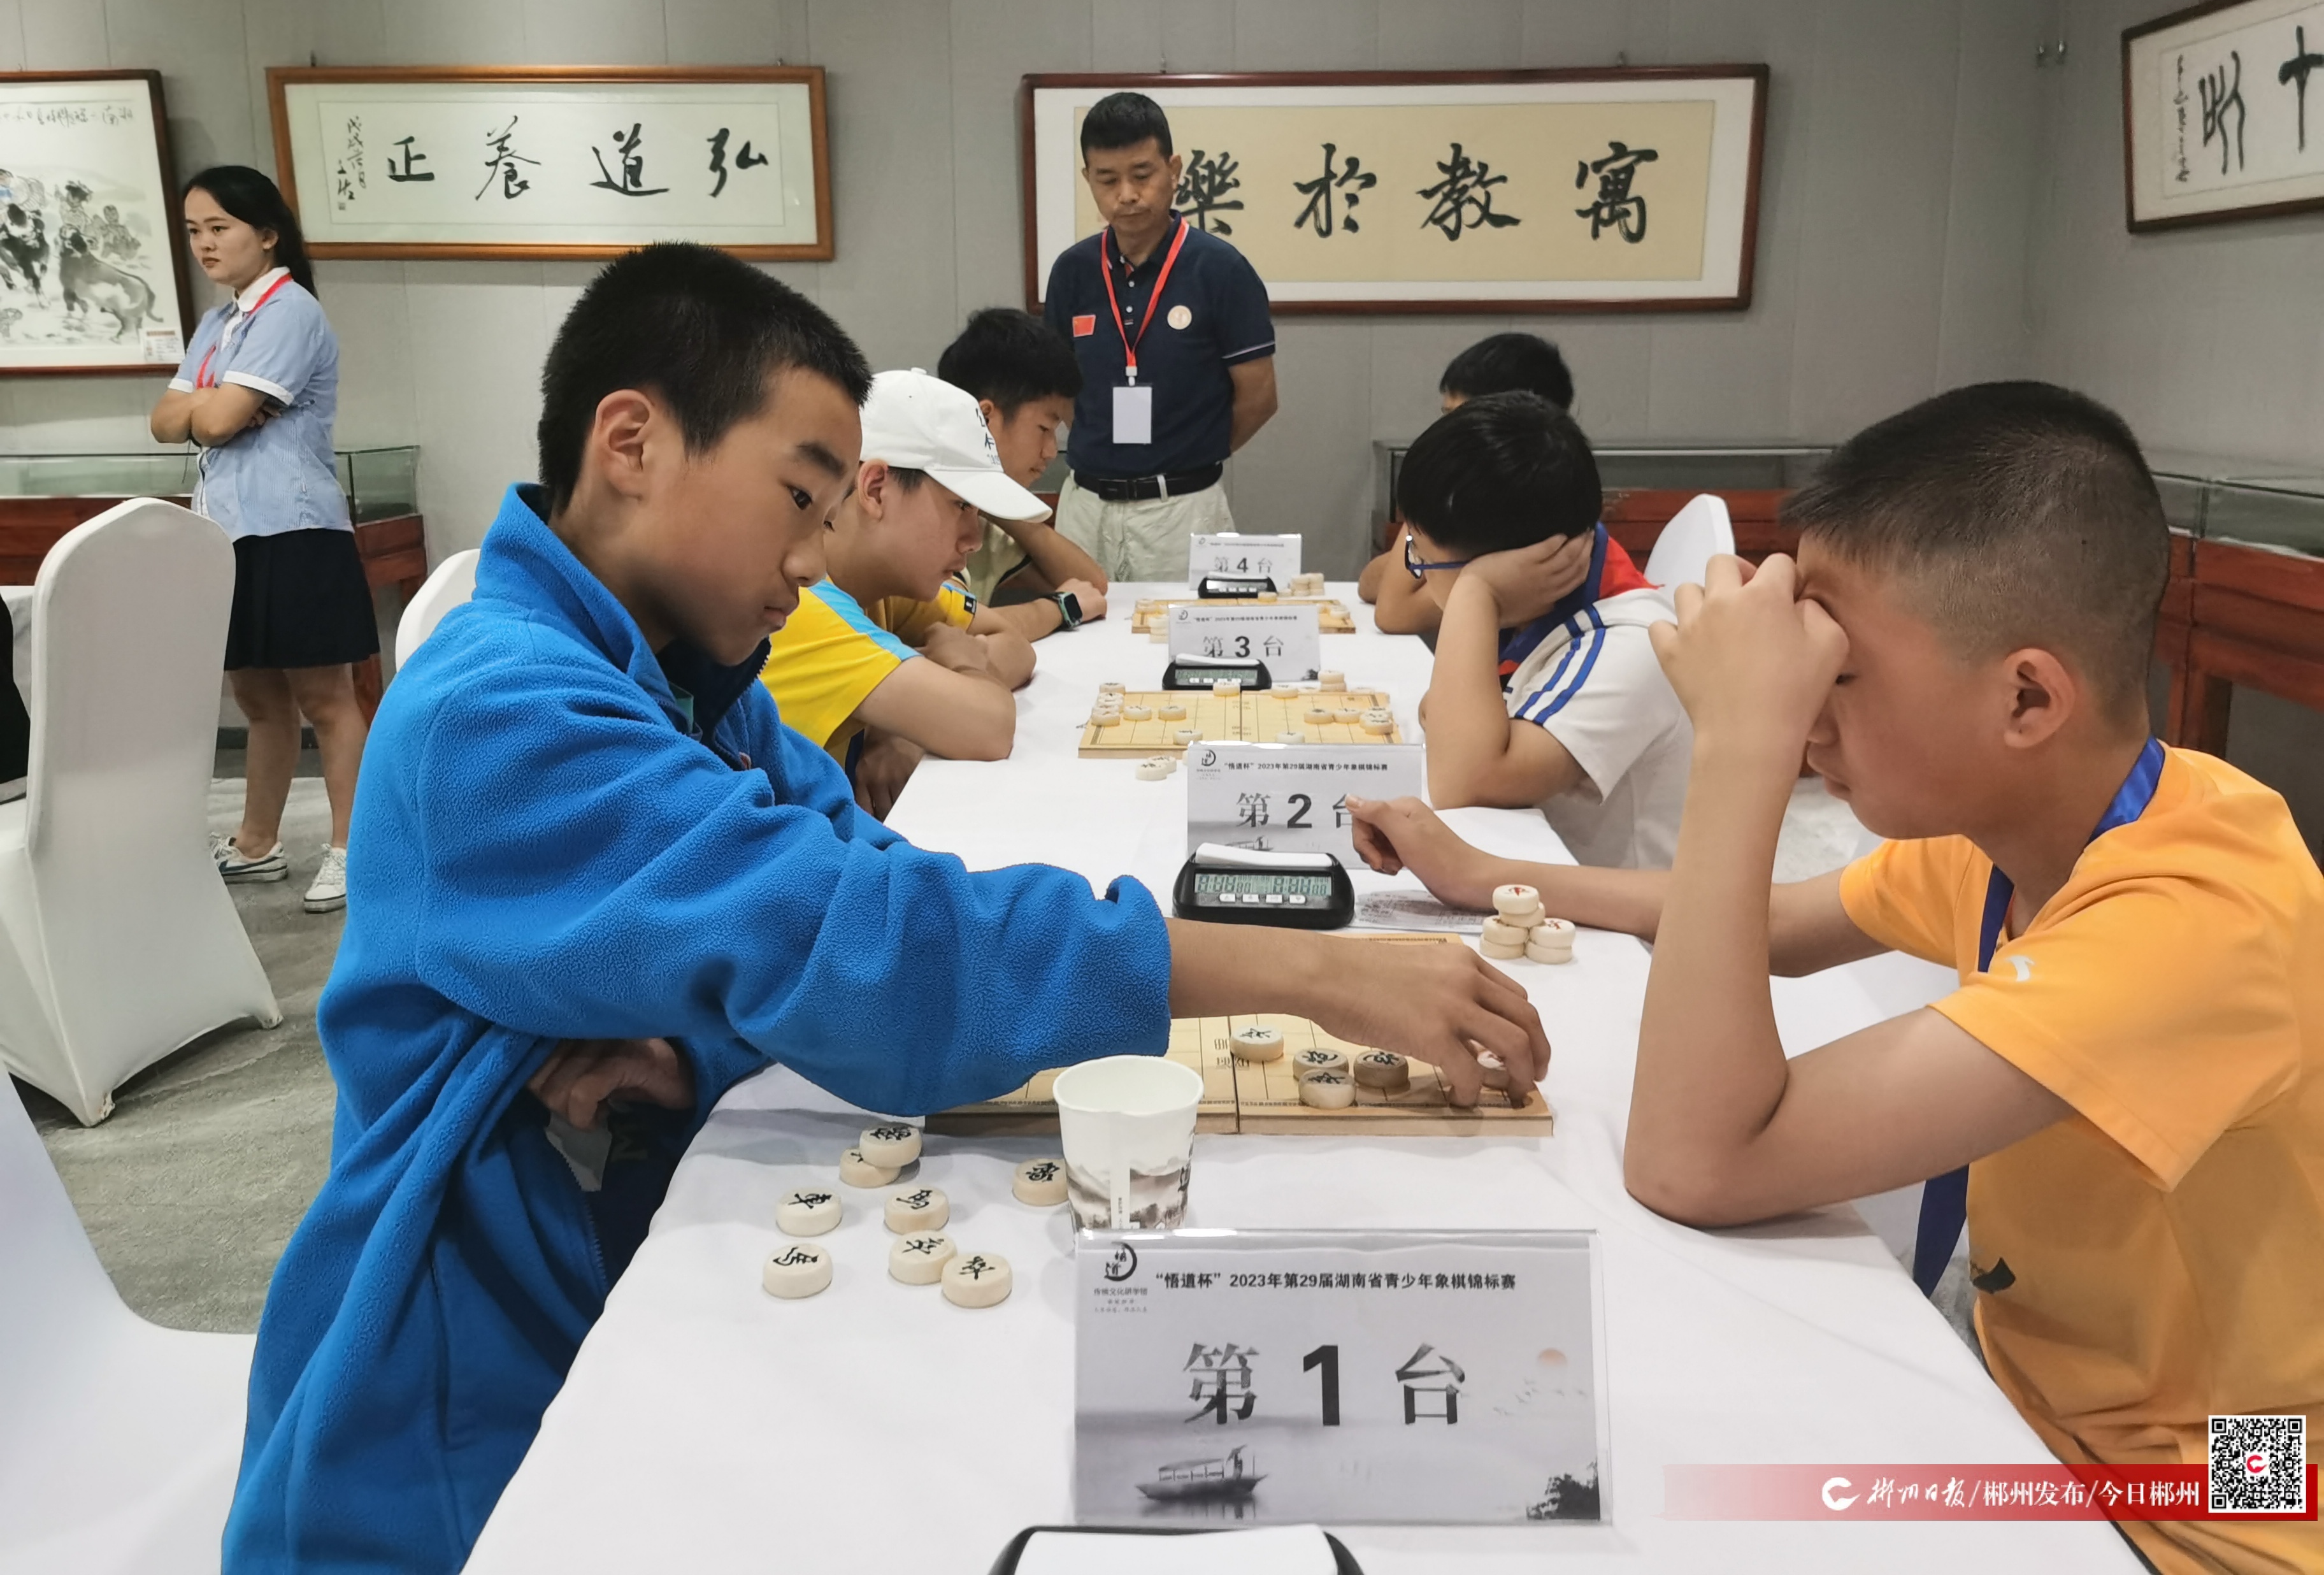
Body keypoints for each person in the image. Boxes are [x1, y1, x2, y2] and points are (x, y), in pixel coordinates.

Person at [223, 243, 1548, 1573]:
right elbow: (874, 947)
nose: (812, 560)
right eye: (798, 499)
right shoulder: (503, 712)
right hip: (456, 1402)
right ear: (632, 444)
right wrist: (1317, 976)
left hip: (607, 1245)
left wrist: (698, 1044)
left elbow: (834, 895)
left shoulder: (690, 676)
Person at [1346, 383, 2324, 1575]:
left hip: (2215, 1495)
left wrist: (1742, 742)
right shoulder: (2047, 818)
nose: (1810, 717)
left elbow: (1697, 1161)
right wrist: (1488, 874)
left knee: (1664, 1493)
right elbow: (1764, 923)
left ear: (2025, 696)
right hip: (2035, 1400)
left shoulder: (2193, 923)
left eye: (1835, 675)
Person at [147, 165, 371, 914]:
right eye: (194, 231)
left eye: (220, 228)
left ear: (267, 234)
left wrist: (211, 405)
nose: (205, 245)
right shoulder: (219, 322)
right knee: (258, 697)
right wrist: (220, 403)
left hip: (296, 529)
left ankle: (354, 851)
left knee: (324, 698)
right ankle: (256, 844)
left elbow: (206, 421)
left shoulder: (290, 311)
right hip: (228, 533)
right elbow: (165, 420)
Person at [1400, 392, 1685, 871]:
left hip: (1623, 915)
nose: (1418, 571)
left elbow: (1463, 783)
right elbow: (1439, 716)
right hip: (1539, 874)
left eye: (1422, 557)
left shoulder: (1632, 644)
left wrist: (1475, 590)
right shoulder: (1536, 608)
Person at [756, 368, 1045, 816]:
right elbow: (989, 727)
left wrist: (901, 724)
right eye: (960, 506)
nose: (975, 538)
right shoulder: (800, 605)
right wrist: (957, 673)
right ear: (875, 489)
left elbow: (1016, 646)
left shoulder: (886, 584)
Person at [1044, 92, 1279, 582]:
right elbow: (1058, 389)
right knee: (1080, 627)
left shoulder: (1221, 270)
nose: (1127, 194)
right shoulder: (1072, 271)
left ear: (1174, 170)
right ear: (1088, 179)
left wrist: (1189, 453)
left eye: (1142, 175)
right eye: (1108, 179)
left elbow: (1259, 397)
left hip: (1184, 509)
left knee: (1182, 632)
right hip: (1086, 506)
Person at [1361, 332, 1575, 635]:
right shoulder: (1469, 497)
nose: (1445, 436)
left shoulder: (1527, 510)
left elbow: (1394, 613)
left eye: (1459, 420)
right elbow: (1370, 582)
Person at [935, 306, 1109, 640]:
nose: (1050, 451)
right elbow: (949, 628)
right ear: (985, 418)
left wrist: (1002, 506)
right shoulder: (926, 501)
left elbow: (1091, 586)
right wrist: (1060, 608)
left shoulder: (987, 516)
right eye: (1044, 429)